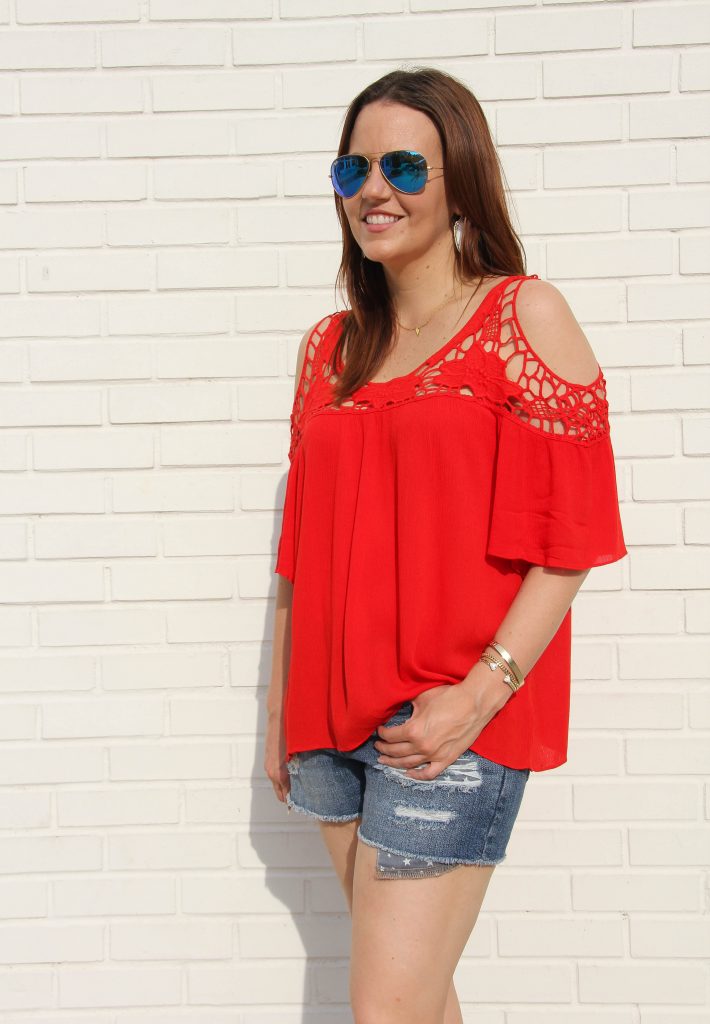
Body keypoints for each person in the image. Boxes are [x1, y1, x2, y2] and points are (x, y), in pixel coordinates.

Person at [265, 66, 627, 1024]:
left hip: (450, 720)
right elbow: (297, 549)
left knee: (388, 1005)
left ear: (459, 181)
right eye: (353, 170)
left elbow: (572, 539)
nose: (373, 190)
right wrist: (278, 711)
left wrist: (481, 692)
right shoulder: (327, 348)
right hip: (328, 724)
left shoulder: (522, 318)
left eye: (401, 165)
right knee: (415, 1004)